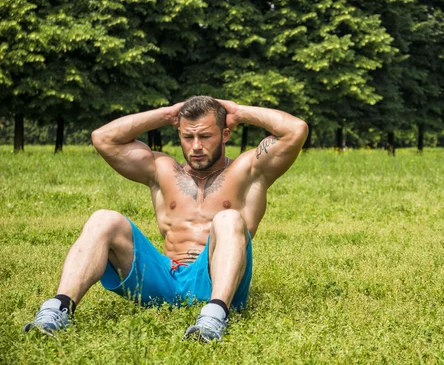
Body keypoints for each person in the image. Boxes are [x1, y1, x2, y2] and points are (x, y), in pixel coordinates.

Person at [24, 95, 308, 341]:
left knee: (229, 219)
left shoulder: (248, 170)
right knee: (103, 219)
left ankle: (215, 315)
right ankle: (57, 310)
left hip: (215, 279)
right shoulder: (163, 170)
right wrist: (168, 113)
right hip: (165, 276)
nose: (196, 145)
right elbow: (103, 138)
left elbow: (296, 130)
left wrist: (238, 111)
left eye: (206, 136)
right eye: (188, 136)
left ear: (224, 134)